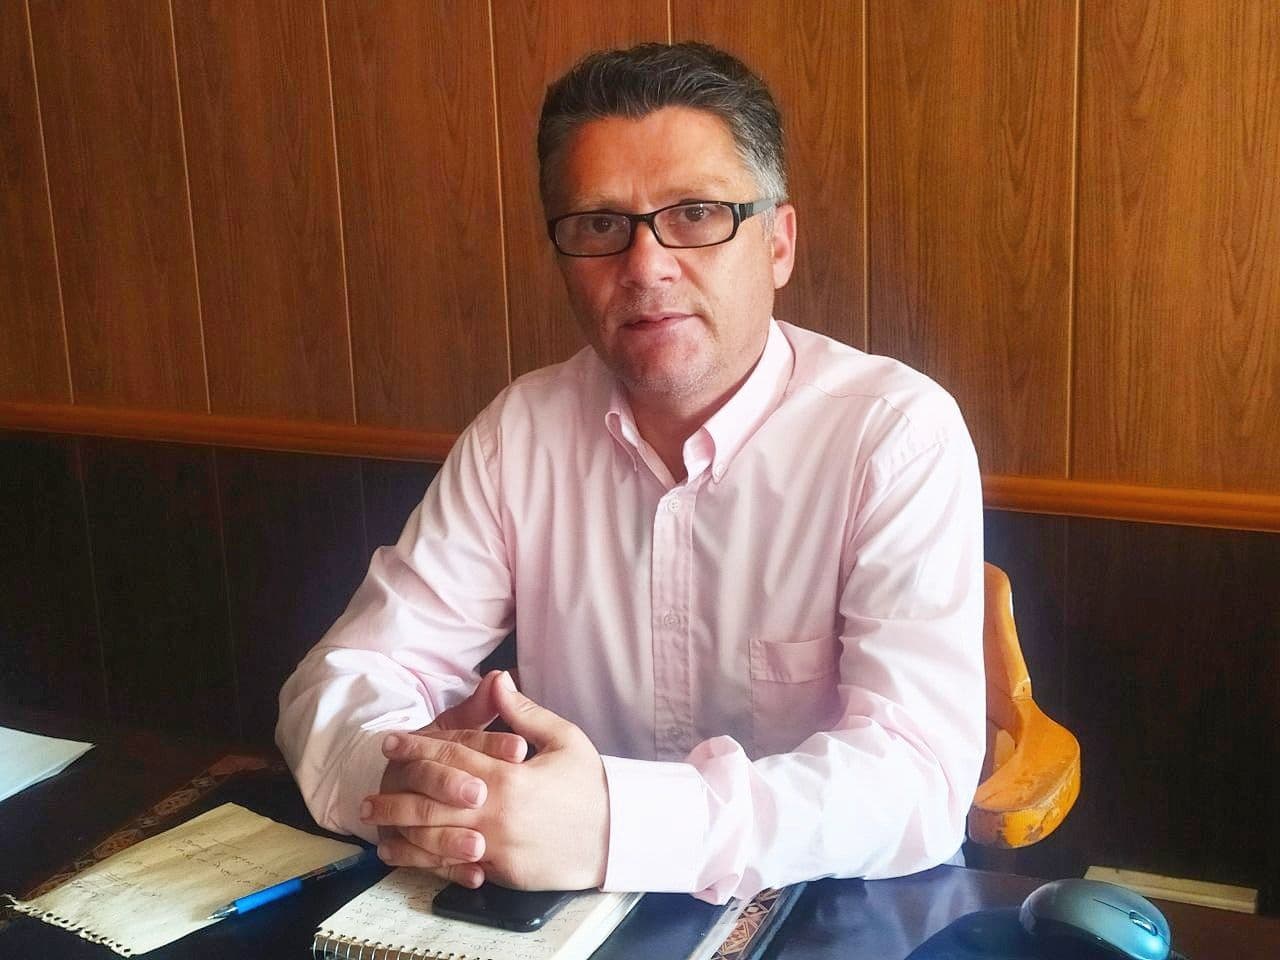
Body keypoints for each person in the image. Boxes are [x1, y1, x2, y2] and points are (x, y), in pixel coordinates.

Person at [277, 42, 985, 905]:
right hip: (563, 914)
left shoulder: (894, 433)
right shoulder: (520, 433)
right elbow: (344, 677)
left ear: (778, 243)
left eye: (696, 214)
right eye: (600, 226)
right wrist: (420, 784)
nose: (645, 266)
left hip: (828, 912)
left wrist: (620, 826)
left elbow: (914, 778)